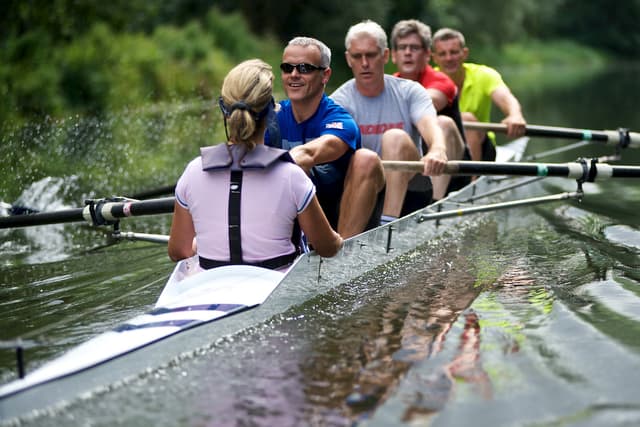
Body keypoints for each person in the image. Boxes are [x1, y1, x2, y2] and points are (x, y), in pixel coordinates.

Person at [168, 59, 343, 270]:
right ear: (272, 111)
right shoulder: (291, 176)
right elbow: (328, 248)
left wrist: (204, 242)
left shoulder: (193, 171)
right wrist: (339, 240)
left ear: (224, 110)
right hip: (275, 288)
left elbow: (179, 251)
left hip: (209, 286)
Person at [331, 20, 465, 222]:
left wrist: (437, 149)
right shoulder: (339, 101)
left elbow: (430, 123)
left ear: (385, 55)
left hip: (414, 188)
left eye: (371, 55)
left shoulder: (410, 91)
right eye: (358, 57)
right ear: (349, 59)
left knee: (394, 137)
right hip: (367, 185)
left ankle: (389, 221)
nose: (365, 63)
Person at [267, 36, 385, 238]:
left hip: (342, 212)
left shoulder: (340, 119)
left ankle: (342, 260)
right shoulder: (271, 118)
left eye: (304, 68)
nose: (294, 75)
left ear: (325, 75)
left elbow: (309, 153)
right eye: (288, 68)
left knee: (367, 159)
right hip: (300, 211)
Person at [390, 18, 470, 195]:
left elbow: (425, 103)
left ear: (427, 55)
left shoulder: (441, 81)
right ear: (393, 55)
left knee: (443, 123)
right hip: (417, 164)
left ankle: (434, 202)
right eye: (402, 48)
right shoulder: (389, 84)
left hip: (453, 169)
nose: (408, 53)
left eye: (414, 48)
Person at [432, 27, 526, 161]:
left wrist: (515, 115)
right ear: (434, 58)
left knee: (466, 119)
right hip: (443, 147)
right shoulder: (428, 80)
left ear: (464, 53)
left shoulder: (484, 75)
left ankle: (473, 178)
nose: (448, 58)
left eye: (454, 52)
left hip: (483, 150)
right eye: (442, 54)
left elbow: (506, 97)